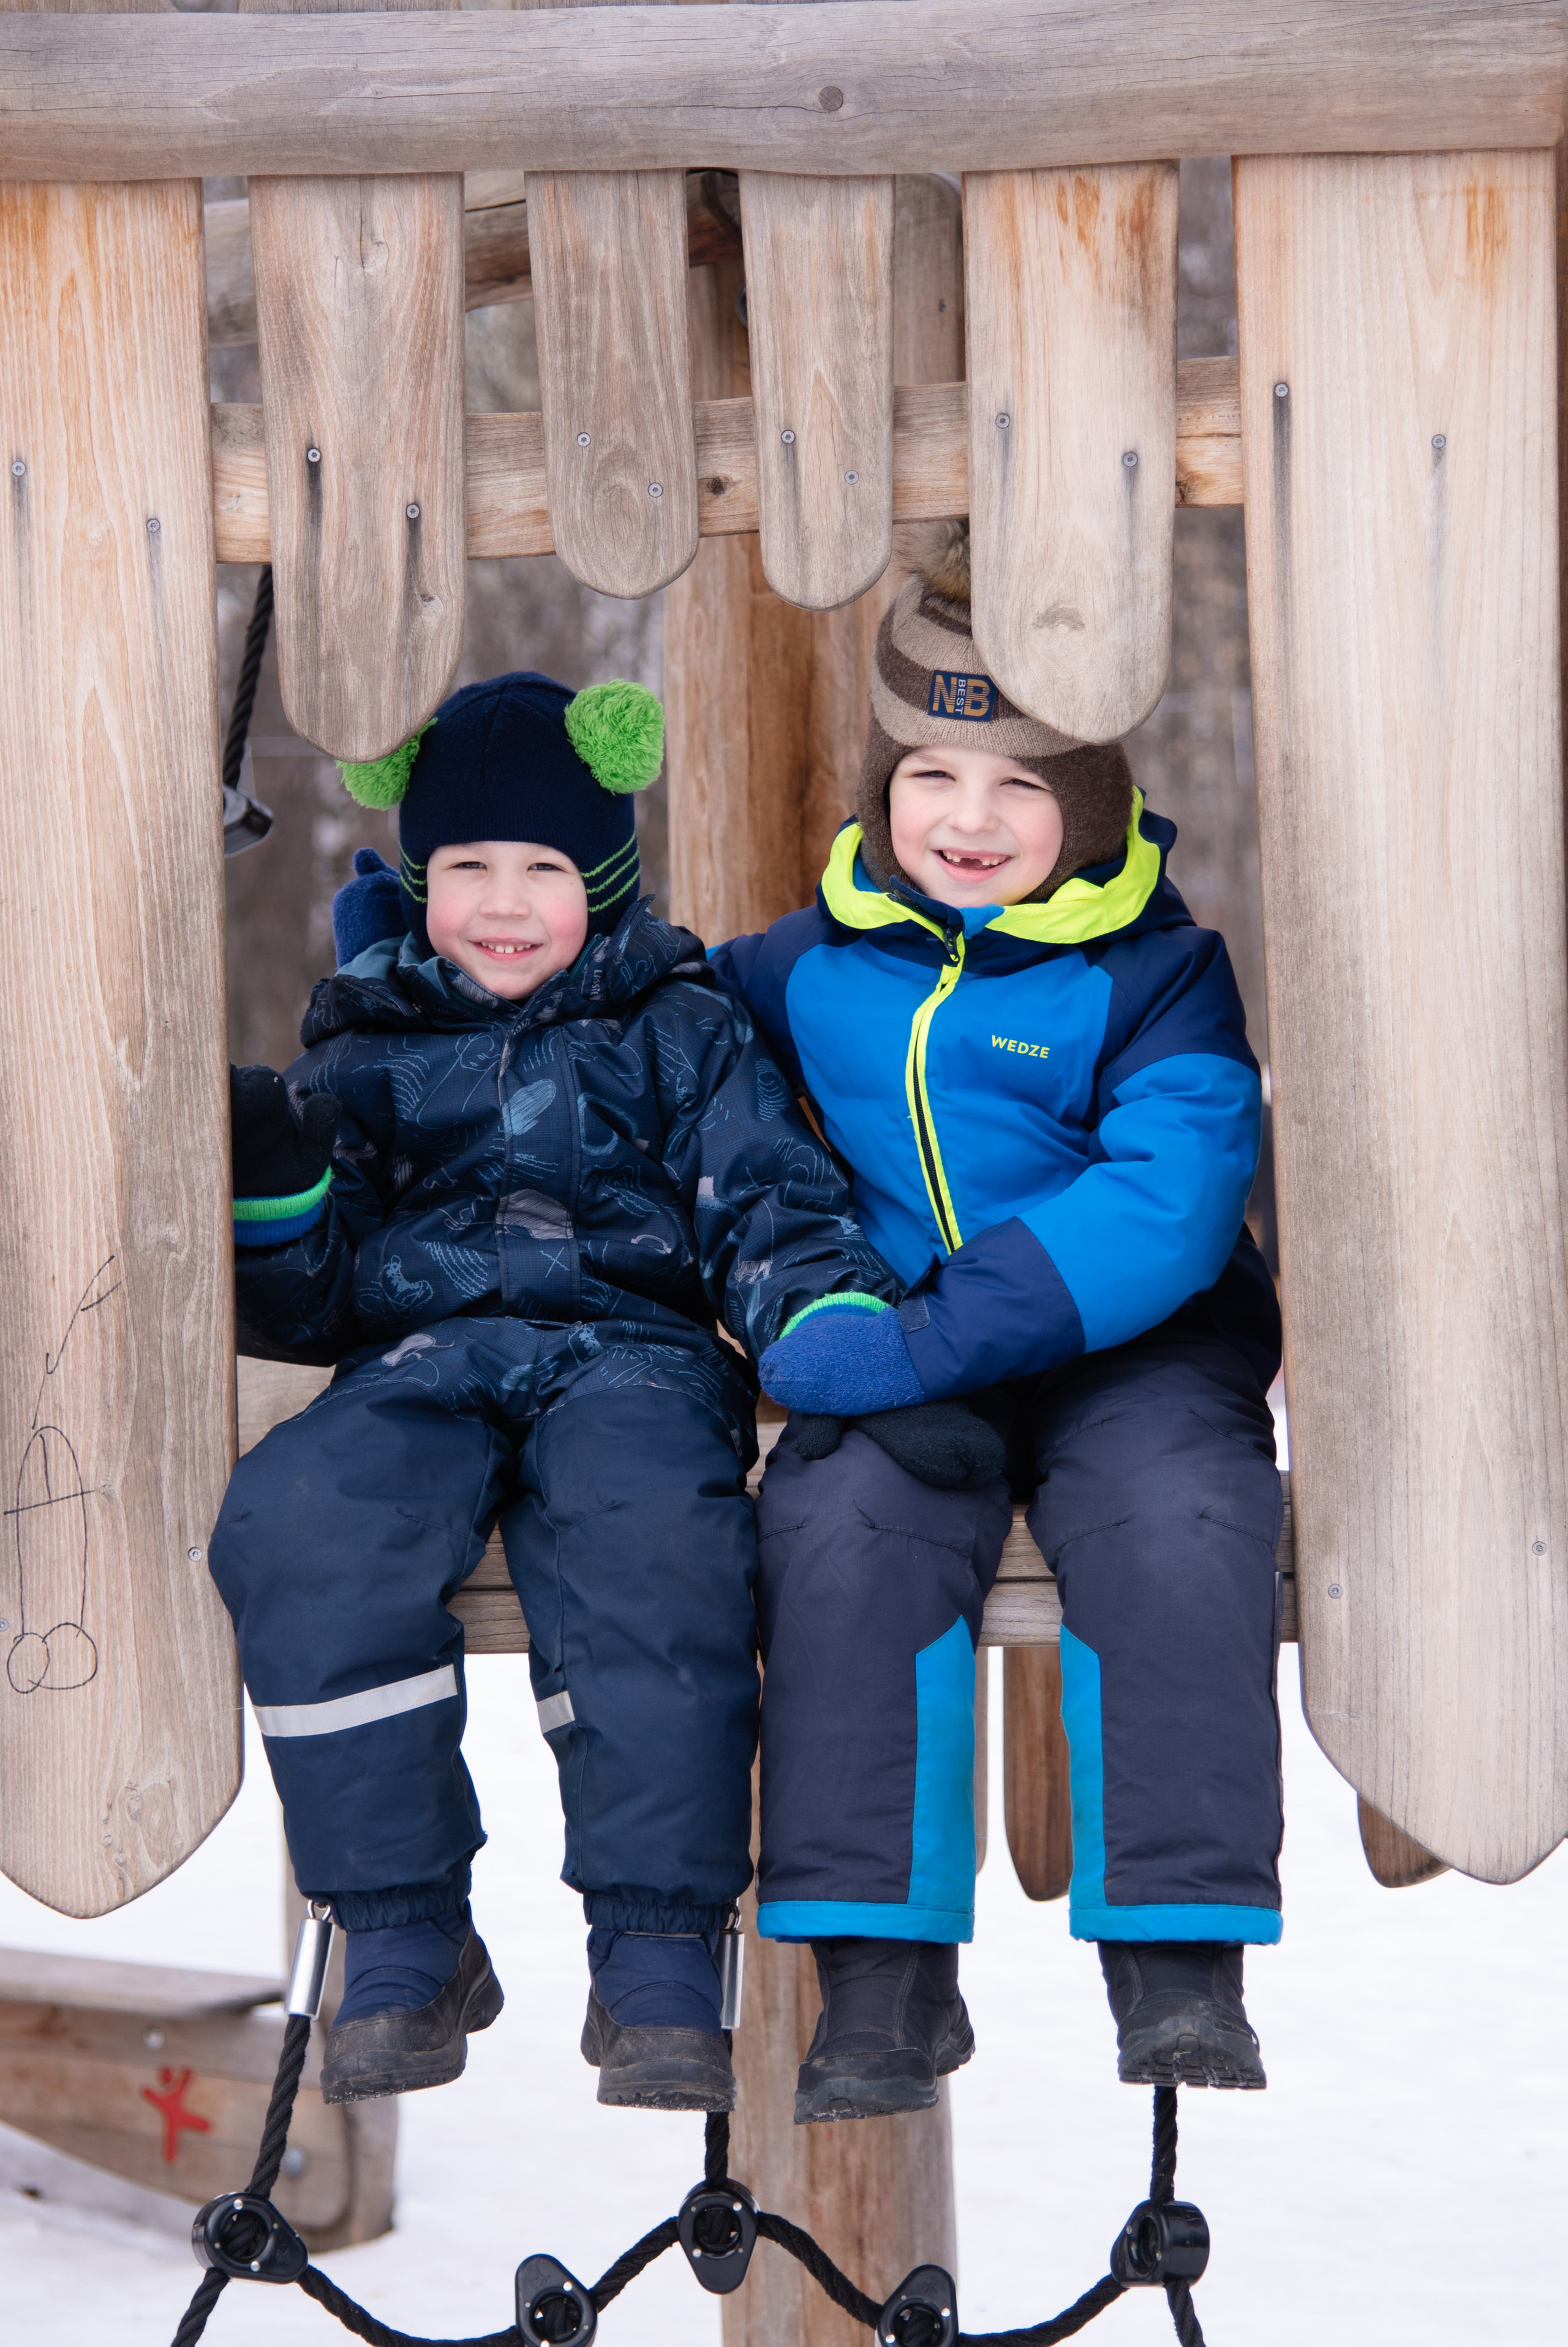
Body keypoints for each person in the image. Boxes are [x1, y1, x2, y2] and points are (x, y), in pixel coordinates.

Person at [209, 670, 905, 2115]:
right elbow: (317, 1297)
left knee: (654, 1540)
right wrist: (277, 1197)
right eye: (468, 869)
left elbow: (761, 1197)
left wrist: (821, 1316)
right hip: (424, 1356)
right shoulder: (368, 1043)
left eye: (544, 870)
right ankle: (401, 1928)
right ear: (421, 881)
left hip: (632, 1355)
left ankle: (653, 1951)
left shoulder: (676, 1023)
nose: (505, 904)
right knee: (299, 1516)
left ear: (605, 881)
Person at [709, 523, 1284, 2119]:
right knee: (839, 1522)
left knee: (1181, 1514)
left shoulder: (1159, 975)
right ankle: (882, 1974)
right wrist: (449, 959)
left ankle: (1176, 1959)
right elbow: (649, 1028)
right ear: (883, 790)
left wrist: (918, 1340)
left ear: (1086, 803)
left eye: (1021, 784)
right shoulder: (806, 968)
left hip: (1131, 1352)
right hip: (898, 1351)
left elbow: (1163, 1206)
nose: (969, 820)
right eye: (933, 779)